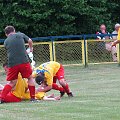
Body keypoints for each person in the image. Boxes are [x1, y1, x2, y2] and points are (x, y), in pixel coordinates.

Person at [0, 26, 35, 103]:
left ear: (6, 34)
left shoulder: (5, 41)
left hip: (12, 63)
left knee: (12, 82)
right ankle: (33, 98)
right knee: (30, 78)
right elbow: (30, 40)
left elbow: (12, 51)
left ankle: (2, 98)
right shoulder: (20, 34)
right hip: (24, 61)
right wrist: (30, 48)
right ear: (14, 30)